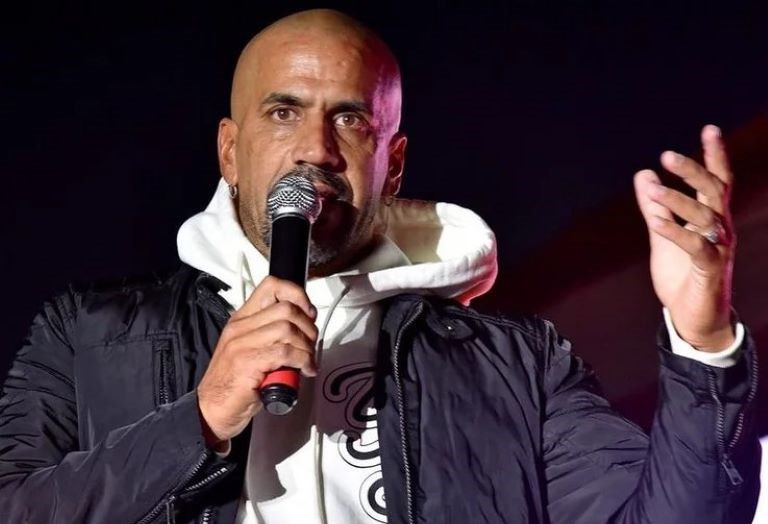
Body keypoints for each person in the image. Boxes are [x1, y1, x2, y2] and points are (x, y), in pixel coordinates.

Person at [0, 8, 759, 524]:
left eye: (350, 118)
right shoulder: (86, 334)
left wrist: (703, 342)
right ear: (230, 151)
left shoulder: (519, 366)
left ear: (391, 164)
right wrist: (201, 417)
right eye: (283, 112)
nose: (316, 149)